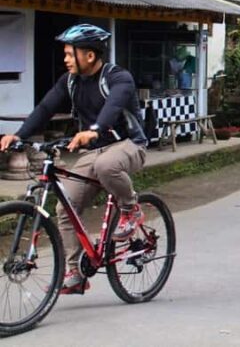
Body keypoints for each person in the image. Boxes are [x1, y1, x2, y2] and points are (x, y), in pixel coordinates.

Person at [0, 24, 148, 295]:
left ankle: (130, 209)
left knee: (106, 165)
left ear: (89, 55)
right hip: (93, 151)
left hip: (128, 145)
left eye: (70, 54)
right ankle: (76, 273)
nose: (66, 59)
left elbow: (113, 105)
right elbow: (45, 108)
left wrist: (94, 130)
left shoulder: (118, 77)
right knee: (65, 207)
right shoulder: (70, 81)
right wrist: (18, 135)